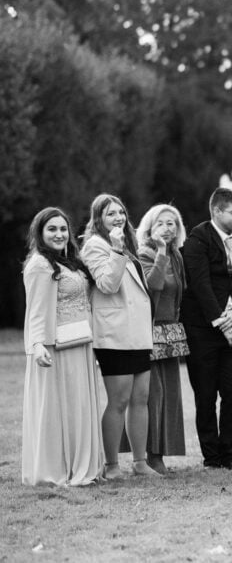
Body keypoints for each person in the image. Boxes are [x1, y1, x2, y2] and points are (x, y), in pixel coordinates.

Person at [22, 208, 105, 486]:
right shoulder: (39, 265)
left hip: (81, 343)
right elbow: (35, 310)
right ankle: (58, 469)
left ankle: (83, 466)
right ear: (40, 233)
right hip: (55, 348)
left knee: (79, 405)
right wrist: (36, 345)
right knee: (60, 407)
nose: (59, 234)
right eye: (52, 229)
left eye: (62, 229)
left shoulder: (72, 263)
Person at [181, 187, 232, 470]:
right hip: (203, 329)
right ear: (217, 211)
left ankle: (229, 454)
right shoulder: (197, 239)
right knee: (205, 396)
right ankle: (211, 456)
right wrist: (222, 324)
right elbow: (200, 285)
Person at [80, 194, 158, 479]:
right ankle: (111, 465)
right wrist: (115, 249)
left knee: (141, 397)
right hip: (114, 335)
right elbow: (108, 285)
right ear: (98, 219)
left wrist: (121, 248)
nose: (118, 218)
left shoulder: (128, 245)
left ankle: (140, 462)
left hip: (137, 333)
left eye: (121, 212)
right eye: (110, 213)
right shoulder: (95, 246)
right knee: (119, 400)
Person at [132, 204, 189, 474]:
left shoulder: (176, 256)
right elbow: (152, 285)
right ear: (150, 228)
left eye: (172, 223)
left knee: (169, 396)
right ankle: (148, 458)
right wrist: (162, 253)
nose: (168, 228)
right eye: (162, 223)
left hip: (171, 332)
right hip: (148, 332)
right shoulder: (143, 253)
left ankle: (160, 454)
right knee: (152, 396)